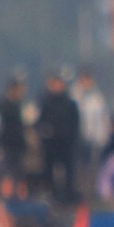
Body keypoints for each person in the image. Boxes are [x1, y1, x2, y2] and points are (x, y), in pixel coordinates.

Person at [36, 72, 82, 204]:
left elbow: (75, 124)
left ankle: (69, 196)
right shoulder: (46, 103)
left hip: (67, 144)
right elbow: (41, 122)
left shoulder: (70, 104)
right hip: (51, 145)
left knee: (68, 171)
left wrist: (73, 140)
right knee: (50, 171)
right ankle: (53, 195)